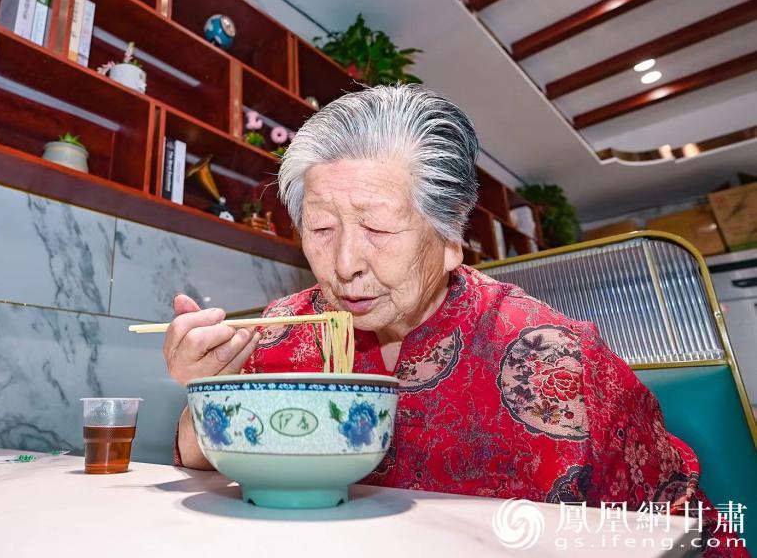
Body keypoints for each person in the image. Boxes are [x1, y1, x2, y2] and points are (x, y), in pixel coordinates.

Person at [162, 85, 746, 556]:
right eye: (321, 230)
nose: (344, 265)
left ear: (449, 240)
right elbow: (200, 454)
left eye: (380, 229)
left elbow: (680, 527)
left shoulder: (555, 359)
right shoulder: (283, 328)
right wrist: (201, 392)